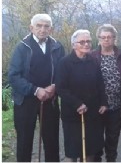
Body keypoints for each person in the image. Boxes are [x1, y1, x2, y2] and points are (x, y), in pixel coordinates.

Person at [8, 13, 64, 162]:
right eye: (39, 26)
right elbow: (13, 76)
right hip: (25, 100)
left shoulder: (58, 47)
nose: (42, 29)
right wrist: (35, 90)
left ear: (51, 29)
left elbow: (63, 72)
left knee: (52, 140)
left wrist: (55, 86)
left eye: (46, 26)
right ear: (31, 28)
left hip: (50, 99)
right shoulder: (21, 47)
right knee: (25, 141)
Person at [56, 29, 107, 162]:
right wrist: (77, 104)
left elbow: (100, 83)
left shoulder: (93, 61)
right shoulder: (64, 63)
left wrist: (103, 102)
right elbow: (61, 88)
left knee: (90, 148)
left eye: (88, 41)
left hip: (92, 112)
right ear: (74, 45)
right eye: (82, 42)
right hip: (72, 114)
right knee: (73, 150)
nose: (86, 44)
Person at [91, 24, 121, 162]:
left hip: (116, 105)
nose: (106, 40)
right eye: (103, 37)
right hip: (97, 106)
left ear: (114, 38)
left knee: (112, 137)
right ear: (98, 39)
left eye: (109, 37)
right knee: (96, 138)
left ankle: (111, 160)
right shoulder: (91, 56)